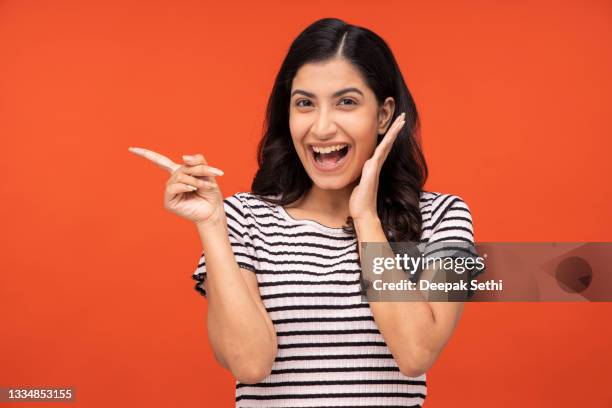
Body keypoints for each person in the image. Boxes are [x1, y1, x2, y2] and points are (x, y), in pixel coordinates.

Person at [129, 17, 480, 408]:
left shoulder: (444, 217)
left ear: (383, 115)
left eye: (346, 102)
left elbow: (416, 354)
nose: (322, 127)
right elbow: (249, 364)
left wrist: (365, 217)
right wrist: (212, 224)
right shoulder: (243, 219)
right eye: (305, 104)